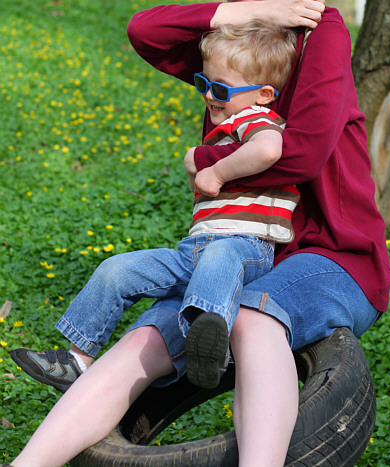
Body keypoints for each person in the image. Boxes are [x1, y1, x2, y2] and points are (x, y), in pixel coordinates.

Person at [5, 0, 390, 466]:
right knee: (141, 342)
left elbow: (302, 154)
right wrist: (247, 12)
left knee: (256, 319)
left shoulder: (318, 31)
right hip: (241, 253)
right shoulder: (225, 46)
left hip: (331, 255)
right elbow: (145, 30)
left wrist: (208, 160)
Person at [12, 20, 299, 393]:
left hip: (245, 246)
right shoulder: (229, 124)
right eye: (203, 83)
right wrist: (199, 158)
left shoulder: (256, 118)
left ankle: (207, 345)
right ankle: (77, 358)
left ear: (263, 94)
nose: (209, 95)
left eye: (221, 88)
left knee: (217, 261)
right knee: (118, 270)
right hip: (194, 250)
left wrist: (215, 171)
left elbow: (268, 149)